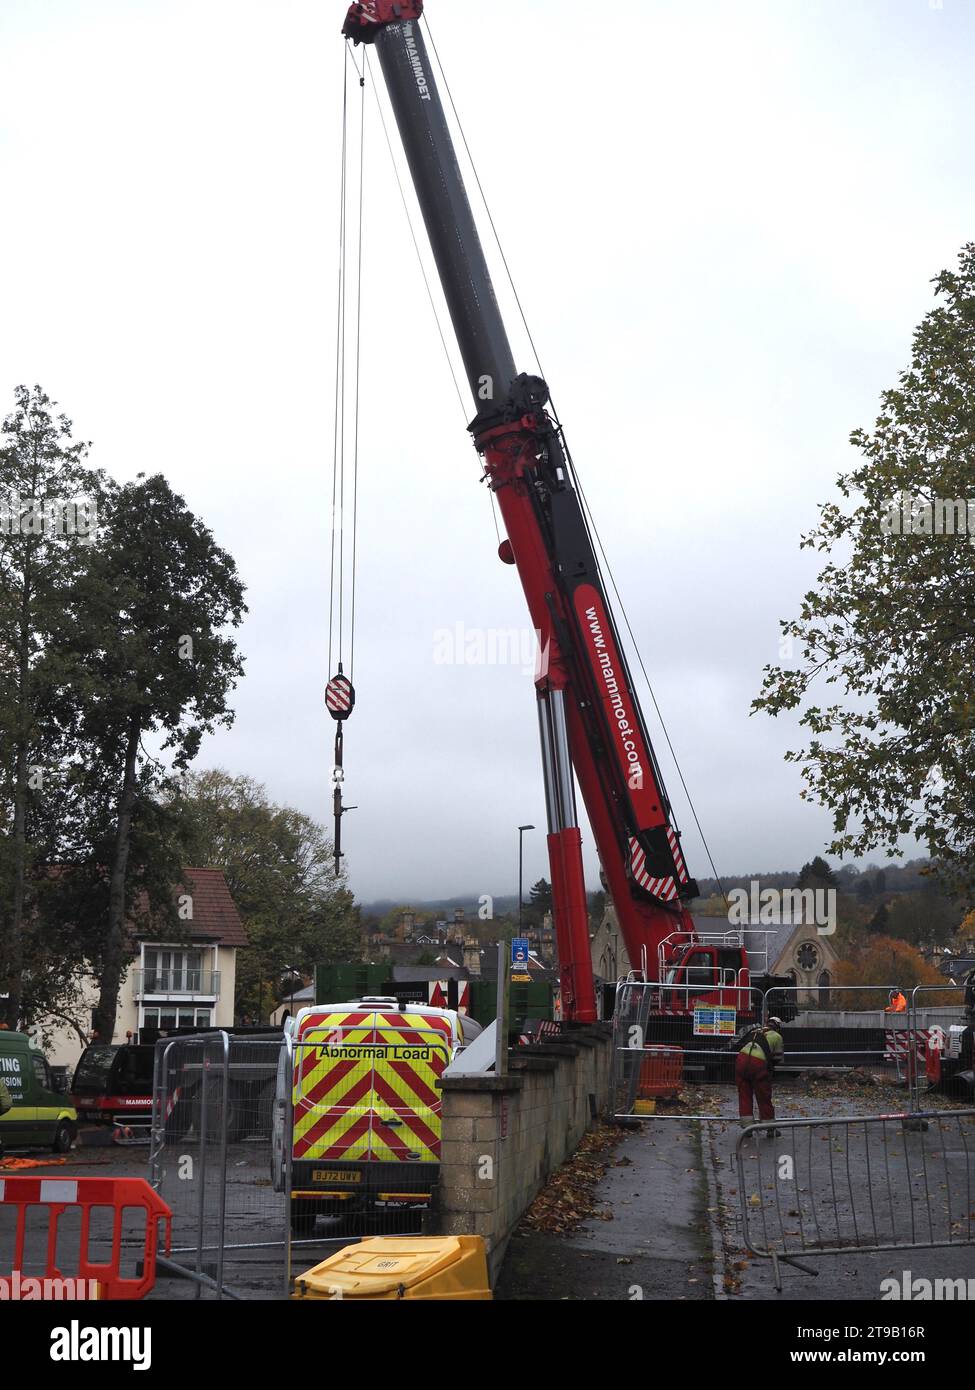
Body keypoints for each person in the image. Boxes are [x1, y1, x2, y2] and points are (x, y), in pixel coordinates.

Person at [736, 1016, 784, 1129]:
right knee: (763, 1095)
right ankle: (769, 1127)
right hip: (757, 1062)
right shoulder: (777, 1036)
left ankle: (747, 1128)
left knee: (744, 1095)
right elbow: (777, 1058)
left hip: (741, 1060)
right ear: (777, 1027)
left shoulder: (755, 1031)